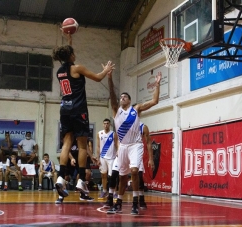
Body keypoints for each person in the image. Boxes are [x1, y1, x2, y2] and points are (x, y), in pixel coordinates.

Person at [52, 32, 114, 201]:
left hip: (64, 109)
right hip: (78, 109)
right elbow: (97, 77)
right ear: (71, 55)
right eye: (73, 52)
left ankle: (60, 177)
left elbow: (68, 55)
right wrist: (106, 70)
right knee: (82, 146)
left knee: (66, 143)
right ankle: (80, 180)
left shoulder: (60, 71)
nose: (75, 53)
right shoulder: (77, 68)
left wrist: (69, 38)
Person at [106, 70, 161, 215]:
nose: (122, 98)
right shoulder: (116, 111)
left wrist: (157, 84)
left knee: (135, 172)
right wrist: (110, 78)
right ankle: (118, 203)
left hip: (135, 145)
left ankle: (135, 203)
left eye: (125, 97)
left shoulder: (135, 109)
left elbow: (154, 101)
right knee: (122, 177)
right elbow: (112, 95)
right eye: (121, 96)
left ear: (129, 101)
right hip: (123, 147)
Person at [96, 118, 118, 200]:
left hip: (112, 158)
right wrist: (97, 157)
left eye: (107, 123)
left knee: (112, 176)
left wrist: (118, 153)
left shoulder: (113, 134)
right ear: (103, 124)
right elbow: (98, 146)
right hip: (102, 157)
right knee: (103, 175)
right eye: (104, 123)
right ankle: (104, 191)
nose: (106, 125)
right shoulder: (99, 133)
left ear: (110, 125)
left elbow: (116, 145)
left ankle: (114, 192)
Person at [138, 122, 155, 209]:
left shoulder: (143, 127)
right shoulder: (124, 124)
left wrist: (151, 159)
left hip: (136, 153)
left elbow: (148, 142)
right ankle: (114, 197)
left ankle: (140, 199)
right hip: (125, 151)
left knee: (139, 176)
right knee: (116, 175)